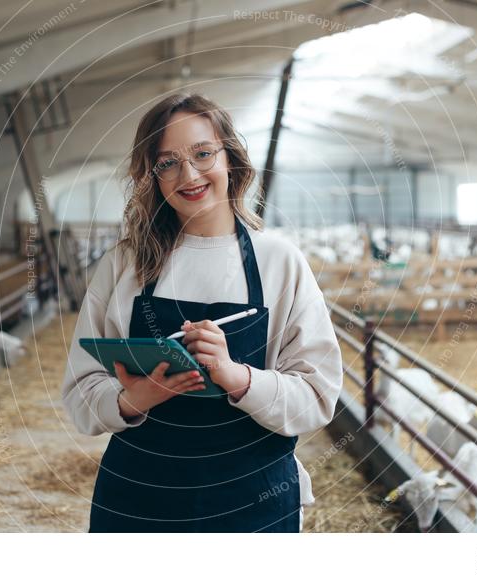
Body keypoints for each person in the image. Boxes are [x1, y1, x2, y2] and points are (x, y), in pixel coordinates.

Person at [61, 93, 343, 533]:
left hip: (252, 499)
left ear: (230, 158)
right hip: (140, 498)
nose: (188, 175)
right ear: (152, 176)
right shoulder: (125, 264)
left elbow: (318, 397)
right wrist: (133, 399)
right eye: (167, 162)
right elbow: (80, 392)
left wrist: (238, 376)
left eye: (202, 154)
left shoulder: (279, 263)